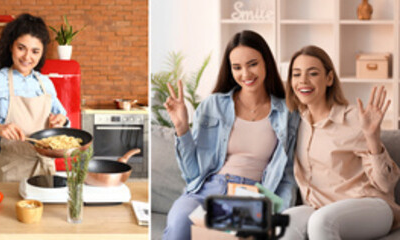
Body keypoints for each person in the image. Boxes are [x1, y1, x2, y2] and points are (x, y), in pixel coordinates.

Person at [162, 30, 298, 240]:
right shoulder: (212, 105)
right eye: (237, 67)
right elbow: (192, 174)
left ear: (266, 63)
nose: (246, 74)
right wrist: (182, 128)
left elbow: (288, 175)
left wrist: (278, 212)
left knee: (230, 235)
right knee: (180, 221)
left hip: (251, 196)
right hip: (208, 190)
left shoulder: (286, 113)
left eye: (252, 64)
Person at [280, 45, 398, 240]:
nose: (303, 81)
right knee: (285, 223)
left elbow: (386, 185)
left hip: (372, 207)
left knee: (321, 221)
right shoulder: (295, 123)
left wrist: (372, 138)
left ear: (329, 78)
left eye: (313, 73)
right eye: (296, 74)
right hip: (321, 208)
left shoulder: (353, 119)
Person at [0, 13, 69, 183]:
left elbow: (63, 119)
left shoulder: (46, 84)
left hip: (46, 169)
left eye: (35, 51)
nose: (27, 57)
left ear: (42, 53)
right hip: (12, 170)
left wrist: (61, 120)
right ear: (11, 46)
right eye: (21, 48)